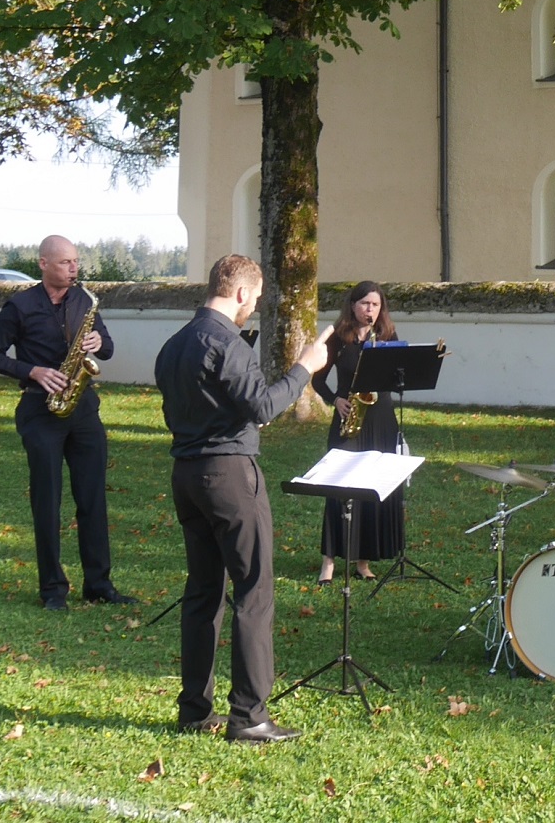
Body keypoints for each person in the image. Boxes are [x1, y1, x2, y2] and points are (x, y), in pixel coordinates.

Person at [154, 254, 330, 743]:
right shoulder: (228, 343)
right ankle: (250, 715)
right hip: (229, 474)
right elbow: (265, 405)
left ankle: (194, 710)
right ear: (240, 293)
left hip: (186, 474)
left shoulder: (174, 345)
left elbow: (200, 408)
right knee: (254, 590)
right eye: (255, 299)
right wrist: (305, 367)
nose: (253, 307)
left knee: (203, 591)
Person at [0, 234, 136, 611]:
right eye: (66, 262)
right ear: (44, 264)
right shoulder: (19, 306)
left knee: (93, 498)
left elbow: (108, 348)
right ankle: (52, 589)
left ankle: (99, 584)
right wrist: (32, 370)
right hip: (40, 410)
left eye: (76, 262)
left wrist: (98, 341)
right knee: (47, 502)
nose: (73, 268)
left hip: (83, 410)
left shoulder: (84, 300)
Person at [314, 281, 405, 584]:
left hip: (381, 420)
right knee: (339, 486)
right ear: (353, 306)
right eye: (365, 303)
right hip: (349, 417)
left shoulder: (388, 337)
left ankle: (363, 561)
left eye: (375, 305)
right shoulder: (338, 338)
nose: (370, 310)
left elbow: (398, 376)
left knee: (372, 486)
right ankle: (329, 561)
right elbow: (317, 380)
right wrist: (335, 400)